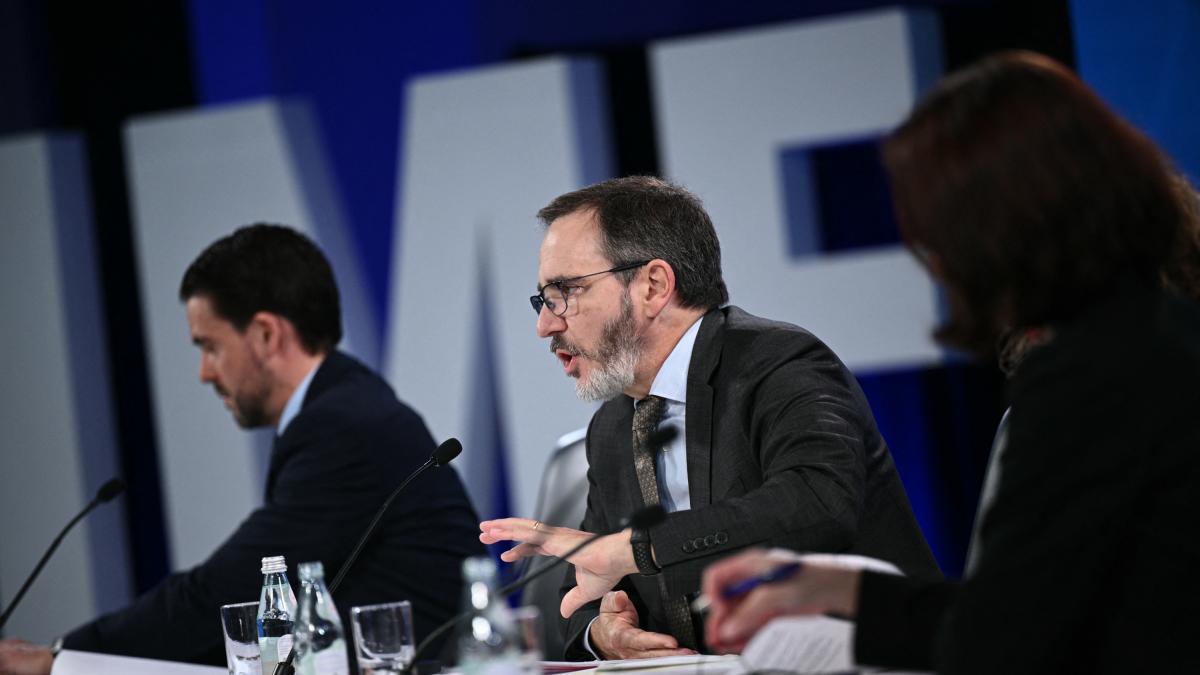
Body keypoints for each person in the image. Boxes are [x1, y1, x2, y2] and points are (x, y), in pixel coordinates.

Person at [702, 52, 1200, 674]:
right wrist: (828, 587)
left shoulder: (1085, 378)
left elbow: (1001, 643)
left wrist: (843, 625)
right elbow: (1026, 606)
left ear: (994, 230)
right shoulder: (1166, 334)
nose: (935, 264)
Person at [479, 176, 940, 661]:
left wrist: (635, 550)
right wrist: (604, 632)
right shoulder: (613, 426)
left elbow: (817, 504)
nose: (545, 324)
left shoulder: (780, 365)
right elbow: (587, 585)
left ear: (653, 286)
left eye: (566, 291)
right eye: (543, 299)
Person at [0, 224, 484, 673]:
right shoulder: (342, 407)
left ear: (266, 335)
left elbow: (228, 592)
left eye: (210, 347)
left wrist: (61, 658)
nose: (204, 373)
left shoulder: (345, 428)